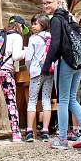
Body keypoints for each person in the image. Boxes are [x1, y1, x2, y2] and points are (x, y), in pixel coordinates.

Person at [41, 0, 81, 150]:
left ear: (58, 2)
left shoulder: (56, 20)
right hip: (79, 62)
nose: (46, 6)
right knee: (71, 98)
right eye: (44, 3)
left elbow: (55, 45)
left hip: (66, 62)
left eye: (49, 2)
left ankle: (63, 139)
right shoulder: (70, 17)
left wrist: (46, 66)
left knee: (63, 101)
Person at [0, 15, 27, 143]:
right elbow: (17, 56)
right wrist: (27, 51)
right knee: (11, 101)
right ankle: (16, 133)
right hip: (5, 71)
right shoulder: (17, 36)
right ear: (20, 26)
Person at [24, 14, 54, 142]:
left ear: (43, 24)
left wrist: (29, 68)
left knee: (32, 100)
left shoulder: (33, 39)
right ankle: (45, 131)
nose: (32, 26)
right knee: (46, 100)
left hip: (36, 71)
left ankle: (30, 131)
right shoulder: (51, 37)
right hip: (50, 72)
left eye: (35, 23)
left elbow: (28, 58)